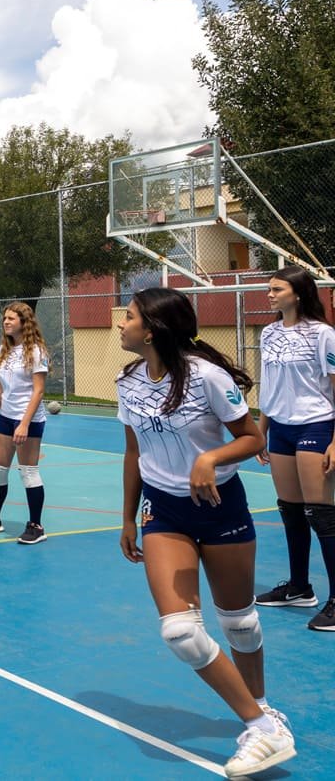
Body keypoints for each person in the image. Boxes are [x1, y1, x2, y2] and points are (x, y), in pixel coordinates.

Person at [116, 287, 295, 777]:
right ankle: (261, 726)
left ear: (151, 329)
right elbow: (134, 454)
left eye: (128, 316)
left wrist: (210, 457)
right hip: (163, 513)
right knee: (180, 632)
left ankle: (260, 703)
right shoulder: (127, 381)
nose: (120, 323)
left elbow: (253, 438)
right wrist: (129, 516)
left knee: (239, 622)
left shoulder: (207, 377)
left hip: (219, 507)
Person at [251, 266, 335, 631]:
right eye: (268, 289)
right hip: (280, 428)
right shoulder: (269, 333)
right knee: (291, 510)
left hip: (317, 423)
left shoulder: (323, 335)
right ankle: (300, 587)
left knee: (323, 514)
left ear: (298, 293)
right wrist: (261, 429)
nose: (269, 294)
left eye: (276, 289)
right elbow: (268, 385)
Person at [0, 302, 51, 544]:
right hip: (5, 418)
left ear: (24, 323)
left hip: (29, 420)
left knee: (29, 472)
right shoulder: (2, 351)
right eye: (5, 318)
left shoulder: (36, 351)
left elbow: (38, 391)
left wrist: (24, 424)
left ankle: (36, 526)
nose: (6, 322)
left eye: (11, 319)